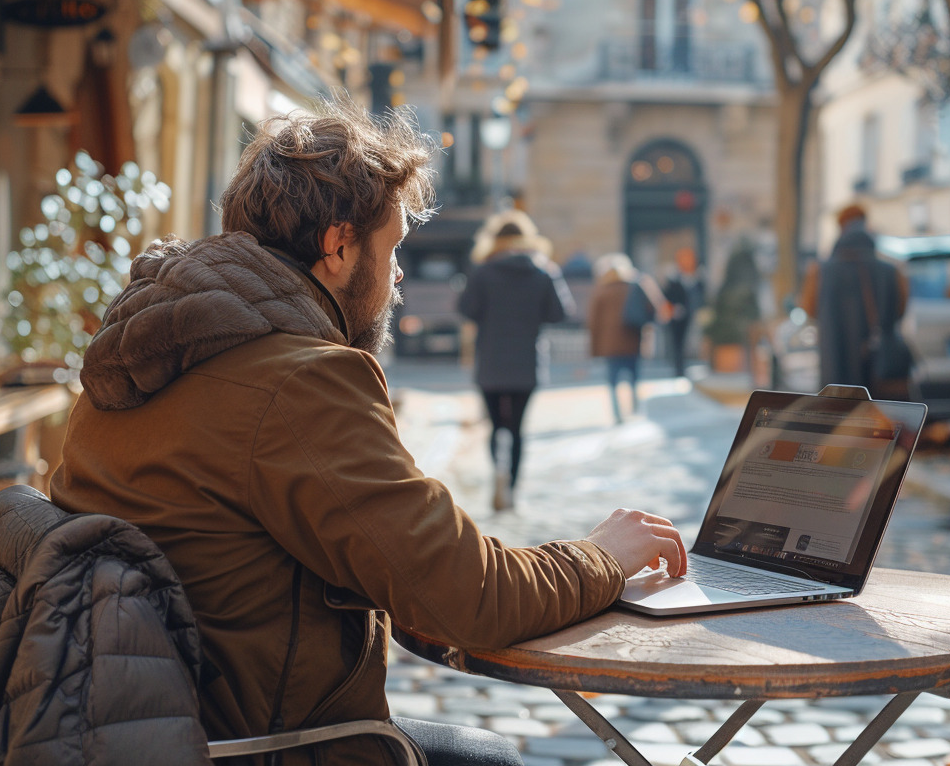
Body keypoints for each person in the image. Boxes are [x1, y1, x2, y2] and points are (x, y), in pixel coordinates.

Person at [50, 101, 686, 766]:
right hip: (263, 744)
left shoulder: (138, 356)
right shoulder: (304, 380)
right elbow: (472, 596)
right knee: (493, 758)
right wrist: (604, 557)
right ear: (339, 244)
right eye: (394, 249)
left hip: (134, 726)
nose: (398, 276)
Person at [458, 209, 573, 512]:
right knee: (518, 428)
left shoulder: (483, 271)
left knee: (496, 426)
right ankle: (512, 486)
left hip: (491, 362)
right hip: (527, 362)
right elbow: (559, 313)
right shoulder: (543, 270)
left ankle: (497, 468)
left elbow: (466, 309)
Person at [801, 203, 910, 396]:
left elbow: (808, 309)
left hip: (834, 364)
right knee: (880, 419)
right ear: (865, 225)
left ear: (841, 228)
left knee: (839, 414)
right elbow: (900, 311)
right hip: (878, 366)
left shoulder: (819, 271)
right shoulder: (891, 271)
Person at [588, 253, 665, 422]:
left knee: (613, 382)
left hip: (610, 346)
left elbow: (593, 323)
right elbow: (656, 307)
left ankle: (617, 415)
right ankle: (637, 410)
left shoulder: (602, 289)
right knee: (635, 378)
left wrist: (594, 350)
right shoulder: (638, 285)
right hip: (633, 340)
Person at [661, 247, 705, 378]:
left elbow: (705, 297)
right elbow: (666, 298)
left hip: (696, 317)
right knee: (678, 345)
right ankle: (680, 370)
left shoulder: (700, 278)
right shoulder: (673, 279)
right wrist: (673, 309)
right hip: (678, 319)